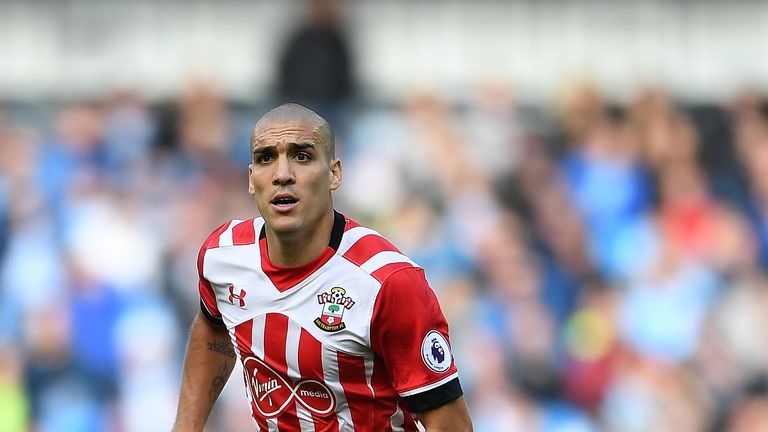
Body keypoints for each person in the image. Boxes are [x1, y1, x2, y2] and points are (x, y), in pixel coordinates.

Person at [173, 103, 473, 431]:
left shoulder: (388, 282)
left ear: (334, 173)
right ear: (250, 179)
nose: (282, 174)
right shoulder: (222, 257)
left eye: (302, 156)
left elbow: (450, 423)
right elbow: (213, 326)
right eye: (266, 158)